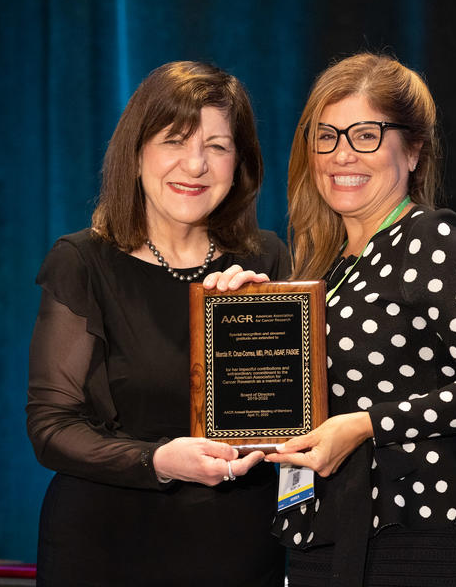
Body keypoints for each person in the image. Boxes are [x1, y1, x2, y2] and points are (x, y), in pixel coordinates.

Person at [269, 53, 456, 586]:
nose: (342, 154)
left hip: (420, 528)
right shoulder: (328, 264)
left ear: (412, 150)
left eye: (365, 135)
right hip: (327, 521)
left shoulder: (428, 238)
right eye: (326, 136)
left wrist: (365, 425)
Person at [26, 61, 288, 586]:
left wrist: (266, 327)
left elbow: (293, 420)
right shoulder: (82, 261)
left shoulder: (267, 260)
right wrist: (159, 460)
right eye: (174, 140)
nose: (195, 165)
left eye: (217, 146)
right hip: (109, 547)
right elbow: (51, 429)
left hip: (241, 545)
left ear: (239, 163)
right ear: (136, 152)